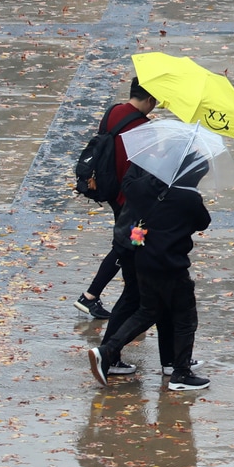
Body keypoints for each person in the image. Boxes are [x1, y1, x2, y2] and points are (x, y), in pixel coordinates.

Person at [88, 152, 212, 391]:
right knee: (185, 319)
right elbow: (203, 222)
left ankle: (107, 350)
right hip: (171, 266)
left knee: (147, 311)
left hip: (144, 259)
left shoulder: (144, 188)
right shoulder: (188, 198)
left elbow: (129, 186)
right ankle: (181, 373)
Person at [75, 78, 157, 320]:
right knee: (128, 245)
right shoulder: (143, 127)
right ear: (150, 99)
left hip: (112, 191)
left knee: (133, 248)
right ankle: (90, 295)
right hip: (132, 202)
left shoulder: (113, 112)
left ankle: (134, 296)